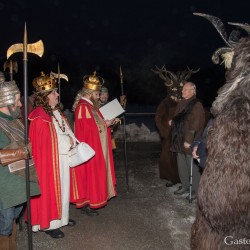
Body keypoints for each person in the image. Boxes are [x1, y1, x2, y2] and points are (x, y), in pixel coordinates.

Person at [28, 72, 76, 239]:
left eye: (56, 91)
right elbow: (48, 142)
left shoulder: (56, 112)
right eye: (54, 92)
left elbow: (65, 131)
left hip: (61, 158)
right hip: (49, 162)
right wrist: (67, 142)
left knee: (63, 189)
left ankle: (61, 218)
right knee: (51, 189)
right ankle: (49, 223)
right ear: (45, 96)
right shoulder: (40, 116)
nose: (57, 94)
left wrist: (74, 141)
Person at [0, 72, 40, 249]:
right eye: (17, 101)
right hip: (4, 186)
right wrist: (20, 152)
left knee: (12, 221)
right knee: (4, 225)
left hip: (18, 180)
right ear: (6, 102)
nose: (20, 104)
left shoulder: (15, 121)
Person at [70, 71, 117, 216]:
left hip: (94, 146)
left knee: (92, 175)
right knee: (88, 175)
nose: (99, 97)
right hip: (90, 148)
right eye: (97, 94)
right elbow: (88, 129)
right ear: (90, 93)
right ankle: (87, 202)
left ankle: (91, 200)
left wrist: (107, 122)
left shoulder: (90, 106)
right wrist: (106, 124)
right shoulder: (83, 107)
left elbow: (95, 124)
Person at [170, 82, 205, 201]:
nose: (182, 91)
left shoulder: (197, 105)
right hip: (179, 139)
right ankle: (185, 185)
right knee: (181, 164)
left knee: (193, 166)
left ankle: (196, 189)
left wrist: (189, 140)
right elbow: (179, 119)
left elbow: (196, 124)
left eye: (185, 89)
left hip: (190, 141)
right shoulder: (181, 103)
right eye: (183, 89)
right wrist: (173, 122)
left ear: (193, 91)